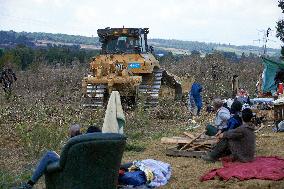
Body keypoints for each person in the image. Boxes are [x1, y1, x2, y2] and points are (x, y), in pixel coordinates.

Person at [17, 124, 101, 189]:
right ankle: (29, 184)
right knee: (50, 155)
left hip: (72, 168)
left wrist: (74, 134)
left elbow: (70, 153)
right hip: (85, 170)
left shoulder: (85, 144)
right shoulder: (104, 149)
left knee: (49, 155)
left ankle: (29, 185)